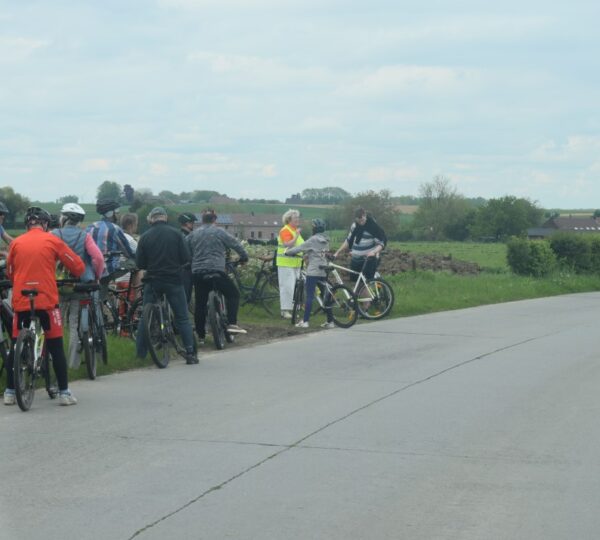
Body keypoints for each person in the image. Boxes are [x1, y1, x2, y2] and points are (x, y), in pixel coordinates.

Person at [4, 206, 85, 406]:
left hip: (22, 300)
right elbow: (77, 266)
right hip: (47, 300)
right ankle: (64, 393)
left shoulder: (16, 243)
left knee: (15, 344)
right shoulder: (53, 240)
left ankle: (9, 392)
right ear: (46, 224)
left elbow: (10, 272)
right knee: (56, 345)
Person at [135, 207, 198, 365]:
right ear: (166, 218)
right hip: (173, 280)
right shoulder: (176, 234)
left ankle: (140, 354)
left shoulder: (144, 236)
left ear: (151, 220)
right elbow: (185, 258)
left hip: (153, 281)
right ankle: (190, 353)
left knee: (145, 317)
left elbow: (140, 263)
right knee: (182, 317)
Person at [52, 203, 105, 369]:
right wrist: (96, 275)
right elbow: (98, 258)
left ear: (64, 218)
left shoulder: (53, 234)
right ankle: (73, 364)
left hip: (58, 284)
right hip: (80, 284)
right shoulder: (85, 236)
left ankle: (54, 361)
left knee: (57, 323)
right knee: (74, 324)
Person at [187, 209, 248, 344]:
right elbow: (235, 244)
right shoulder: (219, 232)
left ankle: (201, 336)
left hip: (198, 272)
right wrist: (244, 257)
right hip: (216, 271)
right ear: (215, 221)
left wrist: (192, 261)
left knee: (200, 304)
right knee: (233, 294)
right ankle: (232, 323)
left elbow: (185, 249)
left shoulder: (193, 234)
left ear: (202, 221)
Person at [285, 218, 334, 329]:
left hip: (313, 271)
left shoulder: (312, 239)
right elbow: (318, 252)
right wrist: (308, 255)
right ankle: (330, 321)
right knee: (324, 295)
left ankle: (305, 321)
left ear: (315, 228)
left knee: (309, 296)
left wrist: (287, 252)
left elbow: (299, 248)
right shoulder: (326, 240)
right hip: (323, 270)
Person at [86, 199, 136, 296]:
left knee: (101, 286)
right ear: (110, 214)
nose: (118, 214)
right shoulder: (115, 229)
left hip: (91, 269)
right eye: (116, 212)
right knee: (135, 263)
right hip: (108, 269)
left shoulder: (89, 227)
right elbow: (127, 252)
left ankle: (103, 299)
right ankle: (133, 293)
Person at [334, 207, 387, 280]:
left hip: (367, 260)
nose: (361, 223)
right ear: (355, 219)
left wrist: (374, 252)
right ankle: (375, 278)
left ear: (365, 215)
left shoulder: (373, 227)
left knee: (364, 284)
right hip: (355, 260)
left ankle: (376, 279)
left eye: (362, 220)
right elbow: (348, 240)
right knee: (356, 283)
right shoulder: (354, 226)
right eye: (359, 221)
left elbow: (381, 243)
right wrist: (337, 252)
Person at [114, 213, 141, 333]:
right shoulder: (130, 240)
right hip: (128, 278)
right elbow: (141, 257)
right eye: (136, 224)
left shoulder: (117, 237)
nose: (136, 227)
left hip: (118, 278)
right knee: (130, 308)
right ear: (131, 225)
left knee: (122, 307)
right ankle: (126, 332)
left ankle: (123, 331)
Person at [276, 209, 304, 319]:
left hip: (296, 264)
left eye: (298, 217)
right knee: (287, 287)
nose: (297, 219)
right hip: (286, 264)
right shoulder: (285, 230)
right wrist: (296, 236)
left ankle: (291, 308)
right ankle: (285, 311)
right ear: (289, 220)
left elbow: (301, 246)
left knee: (293, 288)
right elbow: (288, 244)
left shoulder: (295, 230)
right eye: (295, 218)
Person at [178, 212, 198, 302]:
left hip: (180, 268)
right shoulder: (186, 236)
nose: (193, 225)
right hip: (185, 270)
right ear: (187, 223)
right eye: (192, 222)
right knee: (185, 297)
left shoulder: (178, 234)